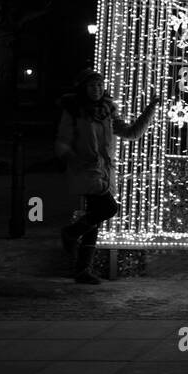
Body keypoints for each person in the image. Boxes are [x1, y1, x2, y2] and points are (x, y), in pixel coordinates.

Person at [54, 70, 158, 284]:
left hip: (104, 172)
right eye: (92, 86)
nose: (97, 89)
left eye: (100, 85)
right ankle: (70, 233)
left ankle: (82, 270)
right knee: (109, 208)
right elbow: (62, 142)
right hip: (85, 169)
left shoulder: (107, 111)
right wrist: (75, 159)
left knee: (94, 220)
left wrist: (151, 109)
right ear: (84, 88)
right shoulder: (74, 111)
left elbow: (131, 133)